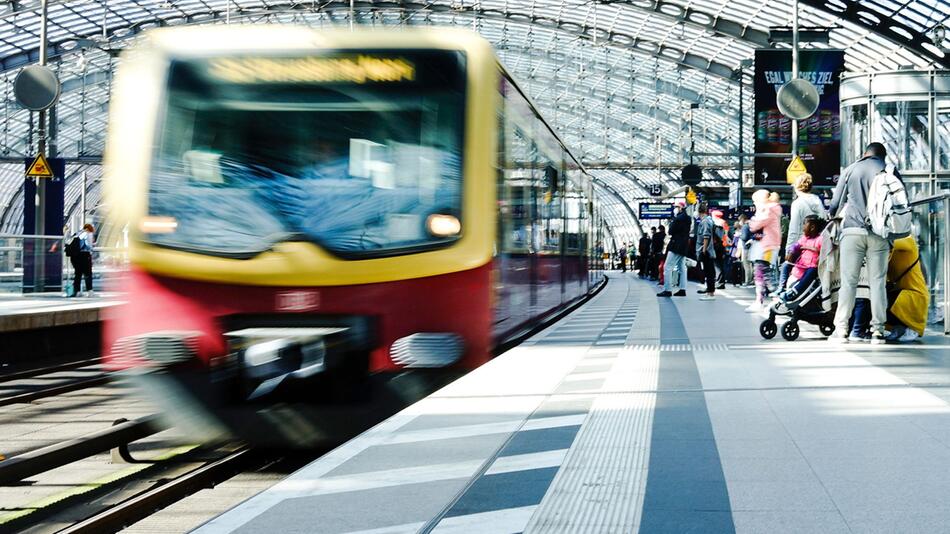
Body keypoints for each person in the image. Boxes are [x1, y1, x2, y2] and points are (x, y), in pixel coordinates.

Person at [828, 142, 891, 344]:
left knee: (849, 282)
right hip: (879, 233)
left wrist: (831, 216)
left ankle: (841, 330)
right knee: (878, 282)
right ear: (883, 156)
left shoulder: (851, 169)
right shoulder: (888, 170)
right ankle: (878, 331)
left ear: (865, 154)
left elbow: (835, 203)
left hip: (852, 231)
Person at [885, 236, 929, 342]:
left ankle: (907, 327)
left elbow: (893, 243)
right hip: (899, 292)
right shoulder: (890, 251)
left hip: (914, 294)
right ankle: (899, 327)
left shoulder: (907, 239)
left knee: (889, 300)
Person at [746, 189, 782, 312]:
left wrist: (753, 220)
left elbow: (754, 225)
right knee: (761, 272)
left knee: (764, 272)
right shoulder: (772, 209)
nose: (754, 204)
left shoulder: (768, 209)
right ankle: (762, 300)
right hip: (767, 245)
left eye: (755, 202)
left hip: (766, 246)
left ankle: (776, 299)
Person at [777, 215, 823, 303]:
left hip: (811, 267)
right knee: (785, 265)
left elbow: (823, 251)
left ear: (812, 227)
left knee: (812, 271)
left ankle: (795, 291)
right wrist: (791, 251)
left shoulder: (820, 239)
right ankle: (781, 287)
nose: (802, 228)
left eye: (804, 225)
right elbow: (796, 245)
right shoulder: (804, 238)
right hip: (801, 265)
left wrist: (817, 254)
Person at [657, 201, 691, 297]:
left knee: (667, 267)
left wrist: (673, 221)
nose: (675, 208)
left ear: (681, 208)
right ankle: (682, 289)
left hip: (676, 246)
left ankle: (668, 290)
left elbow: (670, 231)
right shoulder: (688, 218)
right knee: (682, 268)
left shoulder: (677, 219)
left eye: (676, 207)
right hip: (684, 246)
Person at [695, 203, 717, 301]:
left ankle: (710, 293)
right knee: (709, 271)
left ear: (699, 211)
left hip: (706, 251)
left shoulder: (705, 222)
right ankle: (709, 290)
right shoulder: (709, 220)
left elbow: (706, 236)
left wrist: (703, 250)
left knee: (709, 272)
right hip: (708, 250)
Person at [69, 223, 95, 297]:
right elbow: (88, 245)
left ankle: (77, 291)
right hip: (85, 255)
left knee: (78, 274)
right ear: (90, 229)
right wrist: (91, 249)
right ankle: (90, 291)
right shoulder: (88, 234)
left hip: (76, 256)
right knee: (88, 274)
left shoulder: (78, 233)